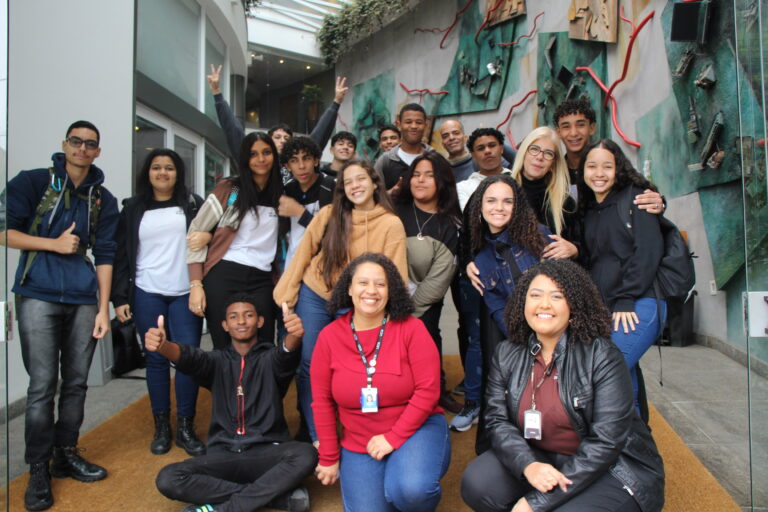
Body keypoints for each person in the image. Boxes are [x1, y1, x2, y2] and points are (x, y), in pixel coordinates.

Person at [461, 259, 665, 512]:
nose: (544, 304)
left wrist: (535, 503)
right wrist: (528, 465)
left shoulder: (602, 355)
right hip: (542, 456)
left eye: (557, 296)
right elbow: (496, 419)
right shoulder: (507, 352)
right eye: (535, 295)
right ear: (523, 303)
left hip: (611, 467)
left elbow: (607, 442)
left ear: (574, 306)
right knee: (478, 483)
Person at [0, 121, 118, 511]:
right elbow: (4, 231)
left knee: (77, 383)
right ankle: (37, 468)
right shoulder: (33, 182)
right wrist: (53, 244)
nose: (82, 149)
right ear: (65, 144)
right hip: (37, 293)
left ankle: (65, 454)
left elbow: (105, 256)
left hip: (84, 299)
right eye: (76, 141)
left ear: (98, 152)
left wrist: (104, 308)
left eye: (90, 144)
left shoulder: (103, 199)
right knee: (42, 386)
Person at [274, 159, 408, 443]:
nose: (355, 186)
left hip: (356, 302)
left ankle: (354, 432)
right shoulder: (329, 214)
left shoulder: (391, 223)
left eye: (360, 179)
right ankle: (315, 435)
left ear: (374, 182)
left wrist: (393, 317)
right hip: (316, 292)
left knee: (354, 369)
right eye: (348, 182)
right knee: (310, 363)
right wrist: (286, 293)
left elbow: (395, 274)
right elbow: (303, 254)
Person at [152, 294, 317, 512]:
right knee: (169, 478)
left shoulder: (270, 359)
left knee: (306, 454)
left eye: (248, 315)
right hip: (223, 455)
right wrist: (164, 346)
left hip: (266, 453)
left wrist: (294, 335)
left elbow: (286, 352)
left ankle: (223, 509)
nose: (241, 321)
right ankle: (273, 498)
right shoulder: (215, 361)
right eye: (234, 317)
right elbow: (188, 358)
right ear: (225, 325)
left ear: (259, 322)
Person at [312, 253, 451, 512]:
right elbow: (321, 402)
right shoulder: (328, 337)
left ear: (391, 291)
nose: (371, 291)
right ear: (350, 288)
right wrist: (329, 456)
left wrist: (392, 438)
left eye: (381, 284)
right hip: (359, 441)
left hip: (416, 430)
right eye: (363, 283)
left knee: (410, 491)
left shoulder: (412, 329)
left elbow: (428, 391)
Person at [111, 149, 205, 457]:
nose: (162, 173)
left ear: (178, 174)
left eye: (169, 168)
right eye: (156, 167)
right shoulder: (133, 208)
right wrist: (119, 297)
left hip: (184, 292)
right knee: (155, 359)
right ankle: (162, 426)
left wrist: (201, 287)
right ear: (147, 173)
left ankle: (186, 427)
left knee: (187, 358)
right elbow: (121, 253)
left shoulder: (192, 205)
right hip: (146, 291)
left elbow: (210, 242)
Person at [452, 174, 548, 433]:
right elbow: (499, 313)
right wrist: (530, 348)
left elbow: (567, 290)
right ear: (480, 208)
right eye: (491, 201)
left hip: (560, 338)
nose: (499, 208)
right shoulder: (480, 261)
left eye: (508, 201)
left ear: (517, 207)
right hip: (525, 344)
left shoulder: (539, 237)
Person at [577, 139, 666, 412]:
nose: (599, 173)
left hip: (638, 303)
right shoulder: (589, 209)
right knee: (622, 383)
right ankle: (636, 445)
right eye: (592, 166)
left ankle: (627, 448)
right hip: (608, 307)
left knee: (605, 373)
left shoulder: (637, 196)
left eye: (607, 166)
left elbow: (648, 252)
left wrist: (626, 298)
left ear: (619, 169)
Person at [186, 132, 282, 350]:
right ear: (245, 159)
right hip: (224, 274)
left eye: (266, 152)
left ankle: (258, 386)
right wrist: (196, 284)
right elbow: (196, 233)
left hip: (262, 279)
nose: (261, 159)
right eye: (253, 154)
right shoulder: (230, 189)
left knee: (264, 346)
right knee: (224, 345)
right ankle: (228, 386)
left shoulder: (281, 193)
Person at [393, 150, 462, 414]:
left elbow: (438, 279)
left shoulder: (451, 222)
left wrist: (407, 312)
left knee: (428, 336)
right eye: (416, 174)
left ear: (442, 181)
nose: (420, 180)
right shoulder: (394, 211)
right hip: (386, 297)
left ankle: (435, 391)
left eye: (429, 175)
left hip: (425, 298)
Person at [206, 64, 349, 161]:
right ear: (268, 140)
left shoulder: (296, 165)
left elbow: (317, 138)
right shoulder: (254, 161)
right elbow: (233, 131)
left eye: (286, 138)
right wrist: (217, 94)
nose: (282, 141)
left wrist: (336, 102)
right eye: (278, 137)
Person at [553, 98, 663, 212]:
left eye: (580, 125)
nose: (574, 133)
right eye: (566, 126)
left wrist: (659, 203)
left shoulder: (614, 164)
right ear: (558, 132)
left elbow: (642, 192)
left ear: (592, 128)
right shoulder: (554, 173)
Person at [510, 126, 579, 259]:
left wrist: (574, 249)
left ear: (553, 163)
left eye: (548, 153)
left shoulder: (565, 202)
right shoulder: (501, 191)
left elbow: (582, 245)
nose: (540, 157)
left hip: (548, 275)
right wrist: (469, 262)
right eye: (534, 149)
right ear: (524, 152)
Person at [279, 136, 336, 268]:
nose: (301, 166)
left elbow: (336, 235)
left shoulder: (332, 187)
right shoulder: (287, 190)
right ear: (287, 166)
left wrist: (301, 213)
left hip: (322, 268)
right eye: (294, 160)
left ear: (316, 161)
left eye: (307, 158)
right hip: (293, 266)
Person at [375, 103, 434, 191]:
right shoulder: (385, 161)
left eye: (418, 122)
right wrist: (390, 195)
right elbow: (374, 196)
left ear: (425, 126)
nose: (414, 126)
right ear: (399, 125)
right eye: (408, 122)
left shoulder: (435, 158)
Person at [439, 120, 517, 184]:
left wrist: (491, 137)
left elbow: (519, 162)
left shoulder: (482, 159)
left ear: (466, 138)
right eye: (445, 136)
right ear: (442, 143)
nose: (451, 138)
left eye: (456, 133)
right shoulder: (440, 169)